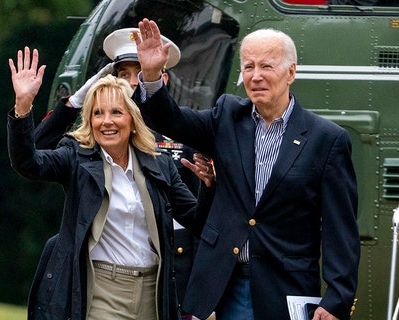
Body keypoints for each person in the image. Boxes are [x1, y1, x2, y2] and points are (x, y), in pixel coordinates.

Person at [131, 19, 360, 320]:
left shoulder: (326, 140)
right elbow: (172, 120)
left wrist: (337, 298)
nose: (256, 76)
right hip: (222, 282)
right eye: (248, 66)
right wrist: (150, 74)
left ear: (291, 72)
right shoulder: (226, 116)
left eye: (267, 66)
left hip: (284, 288)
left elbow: (339, 228)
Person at [7, 46, 212, 320]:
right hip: (101, 290)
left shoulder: (159, 162)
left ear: (132, 119)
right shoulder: (76, 156)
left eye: (116, 112)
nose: (106, 122)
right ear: (89, 120)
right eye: (97, 113)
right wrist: (23, 106)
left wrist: (210, 187)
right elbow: (29, 162)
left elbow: (197, 220)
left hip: (155, 293)